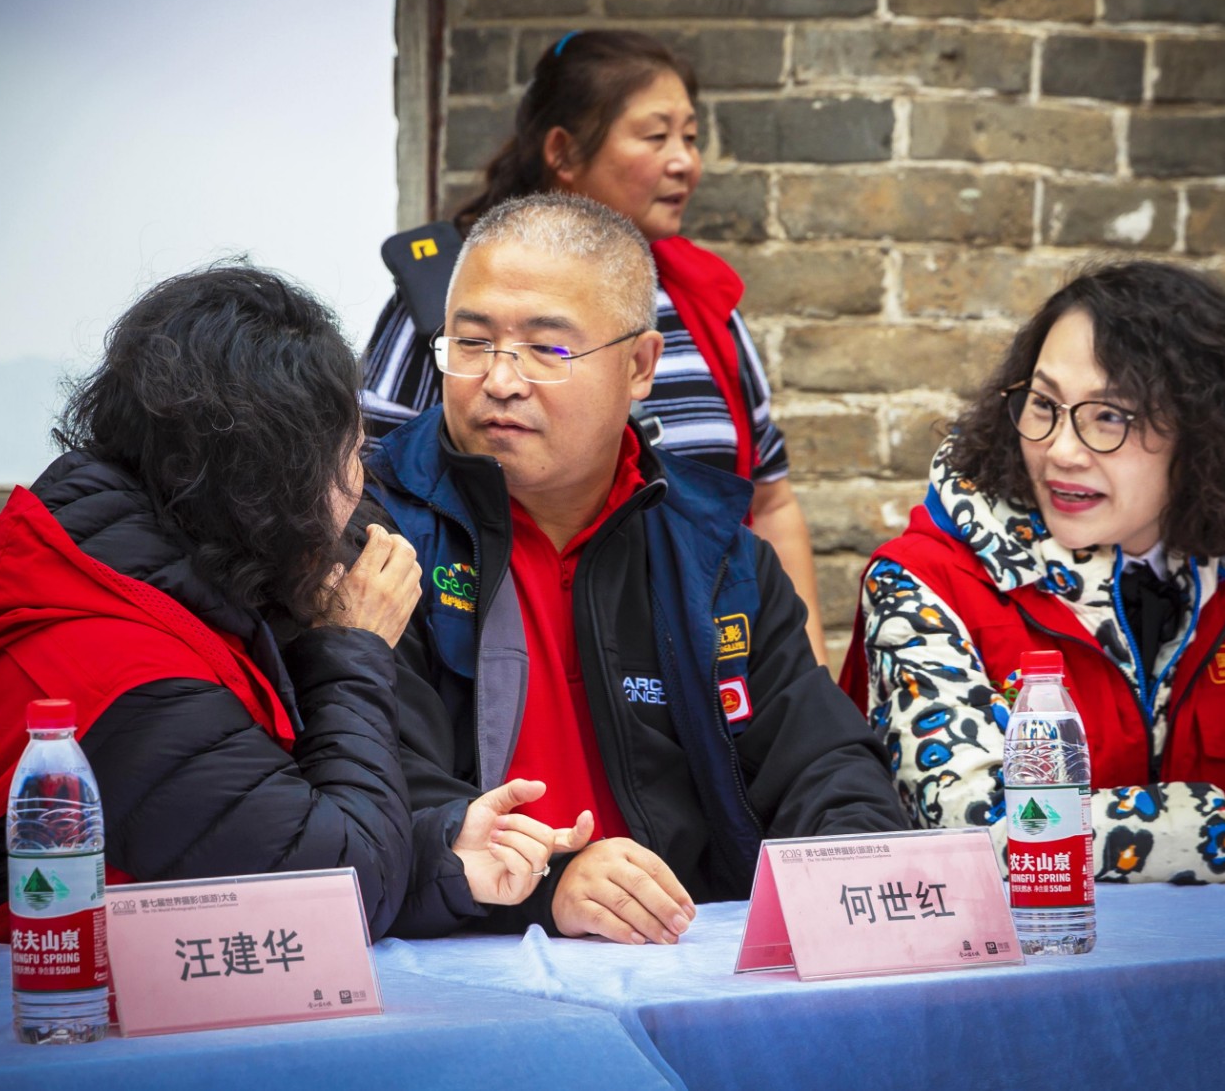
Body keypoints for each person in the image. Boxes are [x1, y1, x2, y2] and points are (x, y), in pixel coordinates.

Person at [0, 264, 584, 956]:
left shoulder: (164, 577)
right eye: (351, 456)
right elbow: (334, 896)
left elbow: (263, 844)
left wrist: (448, 854)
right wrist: (353, 647)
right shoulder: (123, 667)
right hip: (10, 1015)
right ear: (273, 481)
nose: (362, 490)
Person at [367, 193, 908, 945]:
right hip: (461, 961)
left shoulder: (712, 552)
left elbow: (823, 760)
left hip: (689, 957)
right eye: (472, 342)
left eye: (546, 350)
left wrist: (854, 872)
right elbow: (368, 791)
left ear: (640, 366)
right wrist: (546, 886)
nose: (500, 380)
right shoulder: (376, 537)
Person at [843, 260, 1225, 884]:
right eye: (1044, 404)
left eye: (1111, 416)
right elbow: (972, 831)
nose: (1061, 450)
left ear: (1206, 437)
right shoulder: (923, 582)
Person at [362, 30, 829, 663]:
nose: (684, 162)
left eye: (690, 138)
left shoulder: (702, 299)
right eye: (655, 136)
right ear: (563, 151)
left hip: (700, 666)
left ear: (642, 361)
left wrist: (803, 672)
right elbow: (371, 492)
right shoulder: (450, 294)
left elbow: (770, 499)